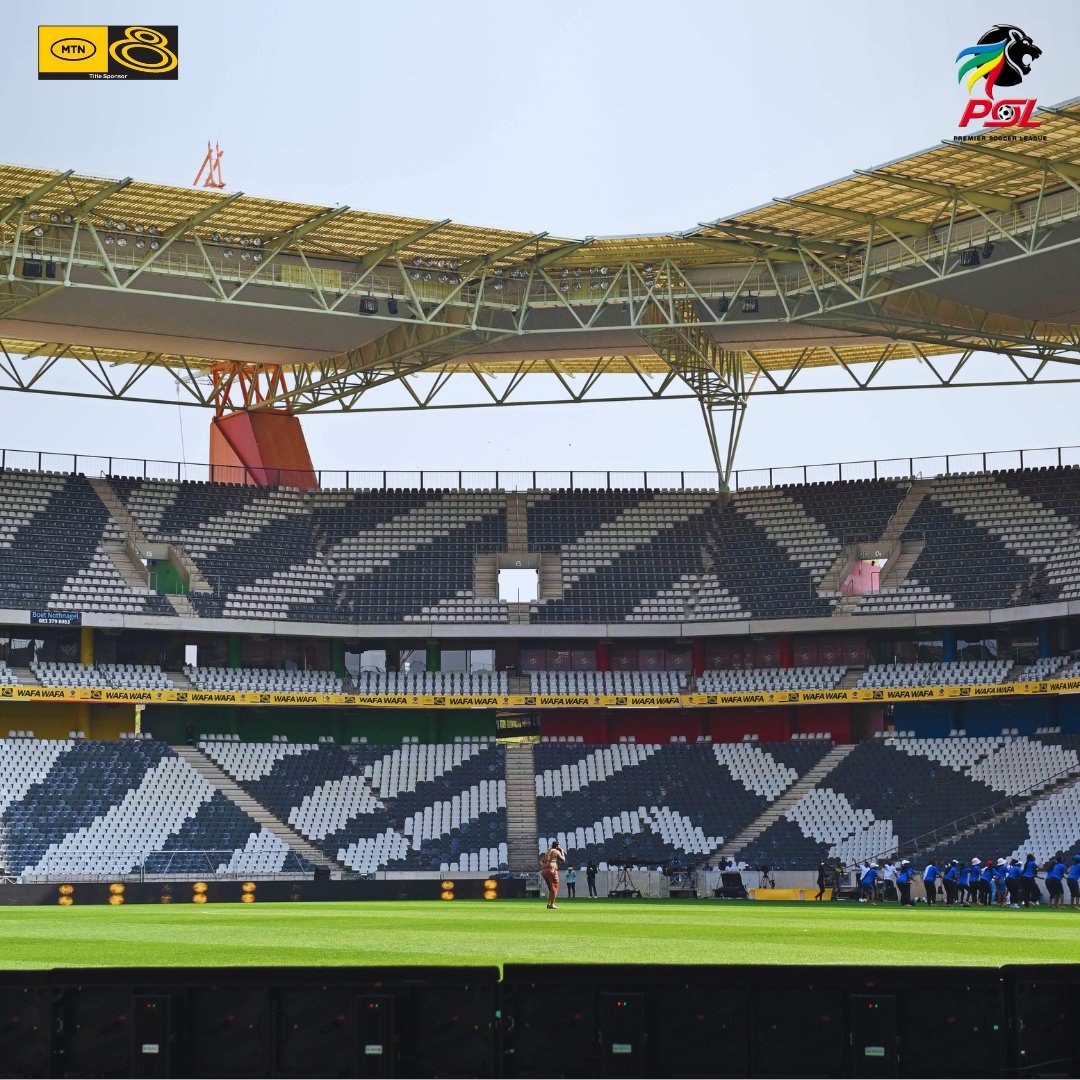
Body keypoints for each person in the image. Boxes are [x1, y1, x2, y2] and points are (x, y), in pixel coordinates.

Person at [540, 842, 566, 909]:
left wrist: (544, 866)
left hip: (544, 870)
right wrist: (562, 851)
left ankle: (549, 904)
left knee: (551, 889)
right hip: (551, 870)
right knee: (554, 888)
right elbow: (563, 860)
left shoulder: (547, 852)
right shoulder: (556, 851)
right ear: (557, 846)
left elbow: (541, 861)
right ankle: (552, 904)